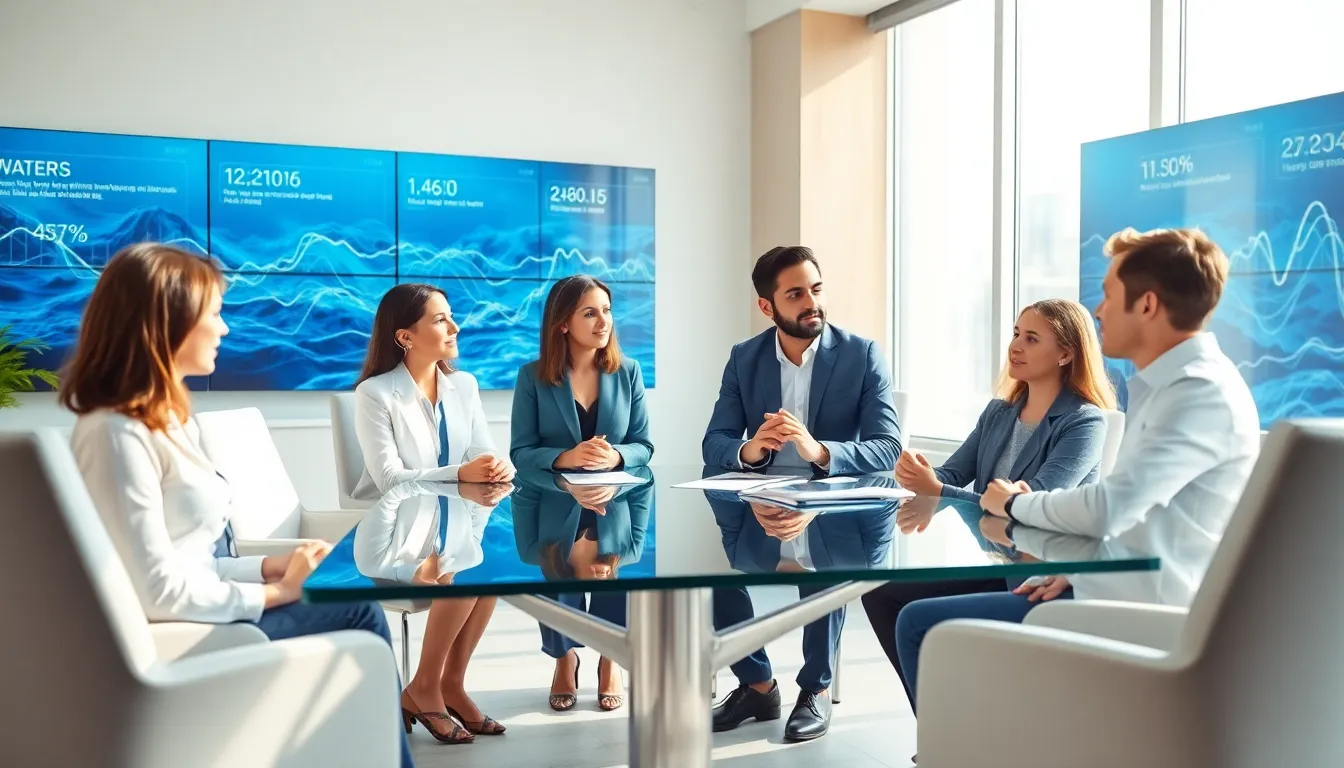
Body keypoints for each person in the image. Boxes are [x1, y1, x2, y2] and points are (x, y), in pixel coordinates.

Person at [62, 243, 415, 768]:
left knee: (354, 602)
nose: (225, 329)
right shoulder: (114, 434)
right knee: (361, 614)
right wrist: (276, 591)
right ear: (168, 322)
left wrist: (270, 564)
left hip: (197, 609)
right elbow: (155, 590)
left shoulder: (166, 422)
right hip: (173, 635)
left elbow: (191, 557)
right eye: (214, 315)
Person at [896, 227, 1261, 729]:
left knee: (919, 624)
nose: (1100, 309)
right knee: (901, 597)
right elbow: (1140, 515)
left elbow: (1110, 507)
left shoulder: (1197, 393)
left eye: (1110, 294)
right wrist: (1075, 569)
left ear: (1148, 305)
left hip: (1143, 612)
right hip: (1111, 585)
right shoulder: (1174, 386)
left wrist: (1014, 505)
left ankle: (963, 751)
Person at [861, 298, 1116, 702]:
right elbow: (953, 474)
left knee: (910, 612)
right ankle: (941, 729)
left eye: (1032, 339)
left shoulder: (1084, 421)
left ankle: (948, 733)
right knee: (879, 592)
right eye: (1016, 334)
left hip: (1038, 570)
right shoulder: (999, 412)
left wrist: (939, 488)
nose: (1015, 346)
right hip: (994, 556)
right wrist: (915, 473)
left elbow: (1037, 502)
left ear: (1066, 353)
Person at [702, 245, 902, 743]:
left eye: (816, 288)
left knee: (822, 566)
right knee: (703, 575)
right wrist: (751, 451)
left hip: (836, 502)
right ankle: (757, 684)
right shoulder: (744, 358)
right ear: (767, 307)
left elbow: (888, 446)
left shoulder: (861, 354)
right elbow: (714, 443)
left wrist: (819, 451)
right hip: (762, 499)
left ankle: (814, 688)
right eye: (796, 293)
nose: (812, 301)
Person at [353, 282, 515, 744]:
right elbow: (388, 478)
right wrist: (461, 470)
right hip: (398, 530)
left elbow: (483, 449)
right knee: (466, 567)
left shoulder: (463, 385)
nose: (454, 326)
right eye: (440, 319)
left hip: (454, 520)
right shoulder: (375, 393)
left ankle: (449, 685)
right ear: (405, 336)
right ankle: (425, 686)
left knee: (491, 570)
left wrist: (495, 463)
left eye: (450, 315)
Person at [510, 274, 653, 711]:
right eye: (590, 312)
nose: (603, 321)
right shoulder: (533, 377)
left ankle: (610, 659)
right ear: (562, 324)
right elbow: (521, 452)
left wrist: (615, 458)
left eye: (606, 311)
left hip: (617, 502)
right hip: (553, 501)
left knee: (609, 571)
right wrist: (566, 457)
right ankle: (564, 658)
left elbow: (644, 446)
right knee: (560, 569)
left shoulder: (627, 372)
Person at [512, 467, 653, 711]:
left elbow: (644, 476)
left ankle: (610, 658)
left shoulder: (624, 550)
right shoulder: (541, 550)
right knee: (556, 582)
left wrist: (616, 482)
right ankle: (564, 659)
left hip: (612, 520)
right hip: (555, 512)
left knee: (615, 583)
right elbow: (524, 483)